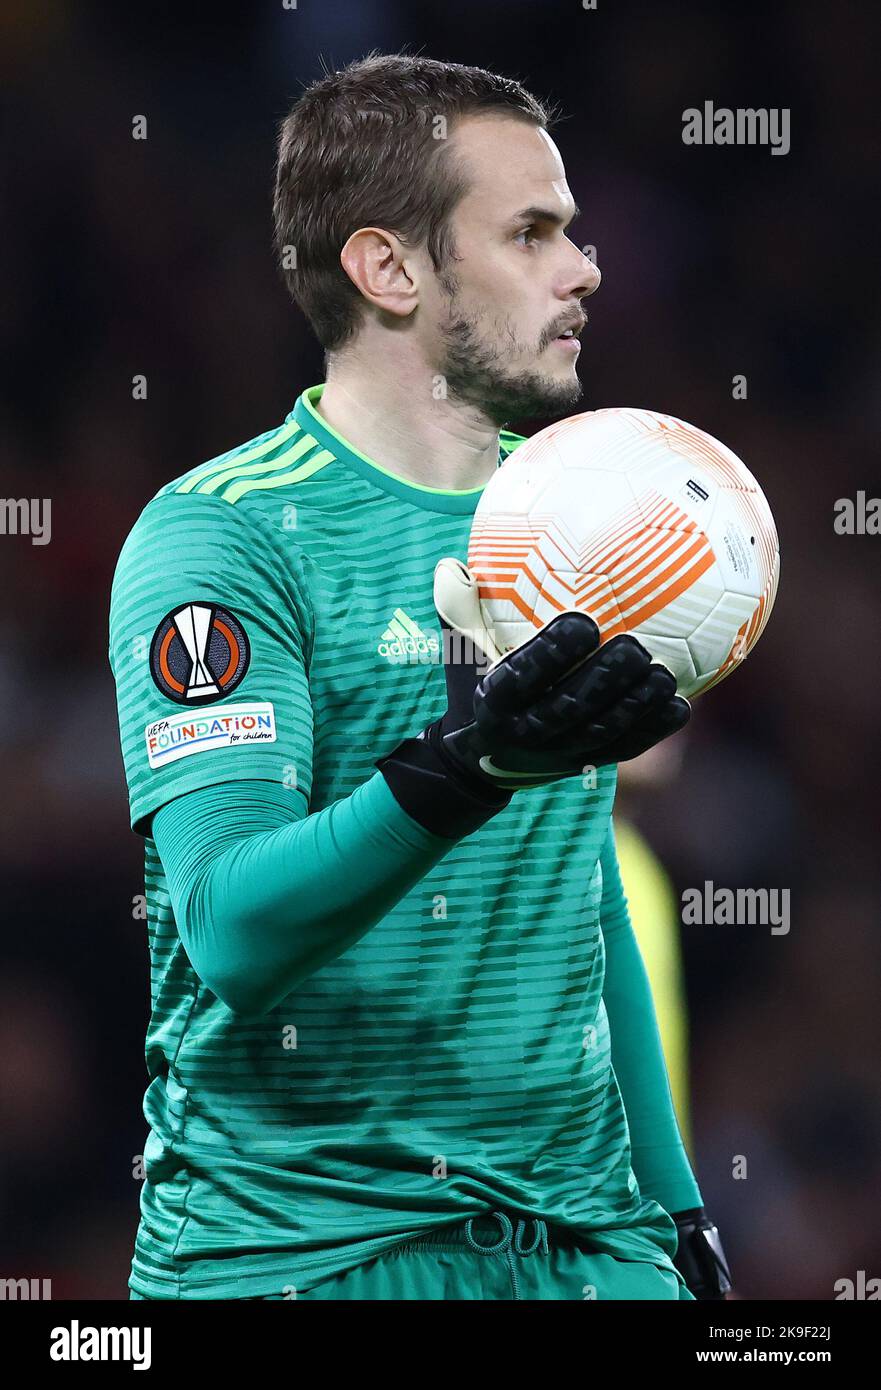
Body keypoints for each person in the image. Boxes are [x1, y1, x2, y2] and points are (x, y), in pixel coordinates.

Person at [110, 52, 729, 1301]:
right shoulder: (220, 538)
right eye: (531, 232)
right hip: (307, 1256)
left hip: (585, 1252)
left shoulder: (572, 515)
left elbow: (577, 886)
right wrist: (459, 772)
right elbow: (229, 925)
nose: (584, 267)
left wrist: (674, 1210)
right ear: (389, 268)